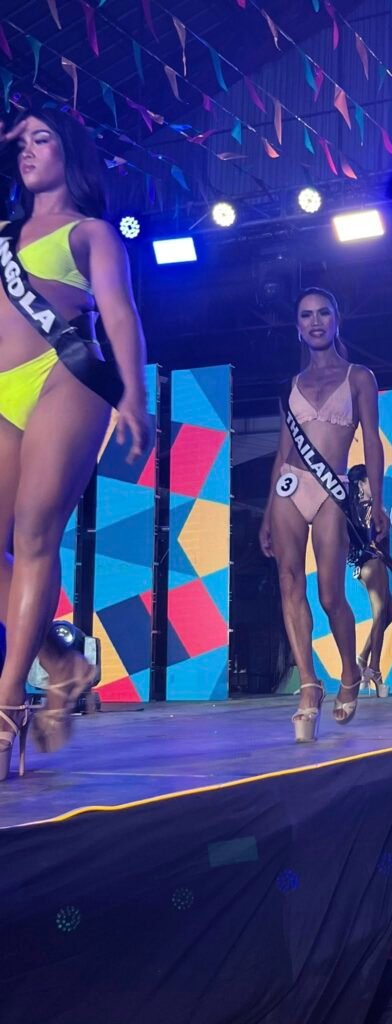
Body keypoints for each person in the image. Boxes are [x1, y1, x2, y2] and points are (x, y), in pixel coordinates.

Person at [0, 108, 150, 780]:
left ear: (71, 153)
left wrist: (133, 394)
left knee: (35, 534)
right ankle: (61, 663)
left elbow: (118, 310)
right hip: (3, 390)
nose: (29, 150)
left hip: (67, 374)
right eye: (21, 141)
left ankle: (7, 702)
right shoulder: (3, 235)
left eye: (43, 139)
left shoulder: (90, 232)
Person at [259, 288, 386, 742]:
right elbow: (283, 452)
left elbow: (372, 440)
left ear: (336, 320)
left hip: (332, 489)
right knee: (289, 583)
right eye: (306, 315)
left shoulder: (359, 377)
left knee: (331, 595)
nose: (315, 322)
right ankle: (309, 684)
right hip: (289, 488)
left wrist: (376, 501)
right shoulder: (291, 385)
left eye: (323, 313)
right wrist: (266, 513)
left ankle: (349, 671)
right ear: (297, 326)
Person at [347, 464, 392, 698]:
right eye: (371, 481)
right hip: (373, 564)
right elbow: (373, 545)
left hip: (365, 565)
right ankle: (374, 670)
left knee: (390, 612)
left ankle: (362, 659)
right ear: (360, 484)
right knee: (380, 614)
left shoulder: (353, 508)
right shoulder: (368, 508)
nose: (377, 485)